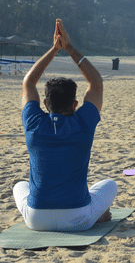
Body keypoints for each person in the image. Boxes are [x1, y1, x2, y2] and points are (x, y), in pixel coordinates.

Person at [14, 19, 117, 231]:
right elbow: (96, 82)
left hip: (37, 220)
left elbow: (28, 83)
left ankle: (94, 213)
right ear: (75, 104)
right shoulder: (83, 122)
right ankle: (98, 215)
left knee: (19, 185)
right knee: (110, 184)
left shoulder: (33, 122)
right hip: (77, 218)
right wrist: (68, 47)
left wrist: (54, 50)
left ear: (44, 104)